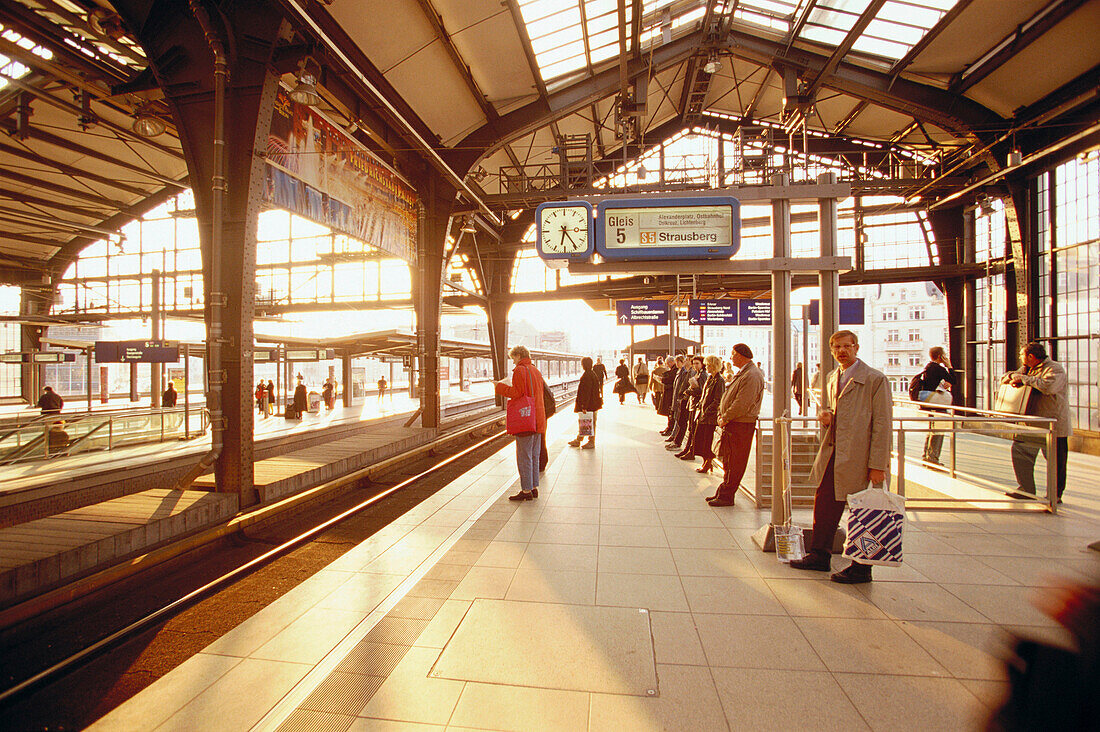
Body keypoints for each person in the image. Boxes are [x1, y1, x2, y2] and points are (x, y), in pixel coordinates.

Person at [790, 330, 893, 584]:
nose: (841, 351)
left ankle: (862, 566)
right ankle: (820, 554)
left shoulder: (874, 379)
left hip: (860, 455)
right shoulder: (832, 377)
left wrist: (877, 465)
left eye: (846, 346)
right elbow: (839, 415)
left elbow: (883, 424)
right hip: (834, 451)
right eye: (836, 347)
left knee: (863, 509)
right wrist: (828, 419)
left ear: (856, 347)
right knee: (824, 503)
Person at [1002, 341, 1072, 501]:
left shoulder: (1054, 369)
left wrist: (1024, 379)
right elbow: (1005, 377)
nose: (1020, 357)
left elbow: (1049, 387)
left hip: (1053, 426)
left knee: (1056, 462)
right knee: (1020, 454)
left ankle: (1055, 495)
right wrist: (1014, 376)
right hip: (1031, 425)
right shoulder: (1027, 369)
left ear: (1031, 356)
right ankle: (1026, 489)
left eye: (1021, 355)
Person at [709, 344, 765, 506]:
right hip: (734, 423)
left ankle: (727, 495)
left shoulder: (752, 375)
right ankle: (724, 491)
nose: (730, 357)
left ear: (741, 355)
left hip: (741, 424)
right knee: (729, 459)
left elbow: (743, 402)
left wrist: (725, 417)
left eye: (733, 354)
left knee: (735, 461)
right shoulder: (744, 373)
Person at [495, 345, 547, 501]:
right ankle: (533, 487)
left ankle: (525, 491)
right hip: (538, 418)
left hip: (526, 418)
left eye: (513, 358)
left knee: (524, 456)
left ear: (518, 356)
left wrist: (500, 387)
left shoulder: (519, 370)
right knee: (533, 455)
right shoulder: (535, 370)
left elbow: (517, 393)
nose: (513, 362)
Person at [682, 355, 724, 473]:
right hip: (702, 414)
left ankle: (708, 462)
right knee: (701, 440)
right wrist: (700, 407)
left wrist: (706, 410)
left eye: (709, 365)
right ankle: (706, 461)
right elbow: (705, 396)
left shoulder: (719, 380)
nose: (707, 367)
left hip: (709, 417)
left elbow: (718, 400)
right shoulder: (710, 378)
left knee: (707, 441)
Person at [914, 346, 954, 465]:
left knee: (932, 430)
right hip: (938, 405)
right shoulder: (938, 368)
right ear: (940, 356)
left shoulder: (928, 367)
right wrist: (949, 366)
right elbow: (954, 379)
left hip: (930, 403)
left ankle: (927, 455)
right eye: (944, 355)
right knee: (938, 432)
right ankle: (932, 458)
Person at [674, 356, 706, 458]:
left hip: (696, 404)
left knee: (693, 429)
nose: (695, 365)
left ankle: (690, 451)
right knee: (691, 428)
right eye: (694, 363)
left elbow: (701, 390)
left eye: (697, 363)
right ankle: (688, 449)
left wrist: (689, 391)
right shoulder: (698, 374)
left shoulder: (702, 375)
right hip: (692, 404)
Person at [667, 356, 701, 450]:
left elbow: (697, 389)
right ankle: (678, 441)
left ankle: (681, 444)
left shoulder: (692, 373)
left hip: (688, 401)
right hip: (684, 399)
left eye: (686, 360)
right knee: (680, 421)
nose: (685, 361)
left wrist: (687, 393)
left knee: (684, 423)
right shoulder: (688, 372)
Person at [568, 356, 602, 449]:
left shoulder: (587, 375)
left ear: (584, 365)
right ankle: (579, 440)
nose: (582, 365)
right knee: (586, 422)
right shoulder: (592, 374)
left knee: (588, 422)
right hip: (593, 404)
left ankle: (591, 442)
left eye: (582, 364)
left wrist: (584, 406)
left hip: (589, 405)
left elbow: (586, 392)